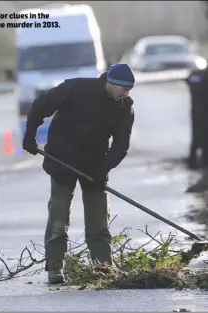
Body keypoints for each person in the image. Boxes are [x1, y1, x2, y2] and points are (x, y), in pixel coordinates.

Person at [22, 63, 136, 284]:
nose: (126, 93)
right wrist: (30, 134)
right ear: (110, 83)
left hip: (95, 165)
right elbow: (41, 105)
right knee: (58, 215)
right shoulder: (76, 89)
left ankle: (103, 267)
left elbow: (121, 145)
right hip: (62, 160)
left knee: (99, 220)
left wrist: (103, 170)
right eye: (123, 88)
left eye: (129, 90)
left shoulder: (124, 108)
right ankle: (55, 268)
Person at [185, 66, 208, 192]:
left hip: (197, 114)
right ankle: (200, 171)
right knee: (200, 143)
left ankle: (196, 168)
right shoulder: (198, 75)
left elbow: (189, 81)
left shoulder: (196, 75)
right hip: (200, 115)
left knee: (197, 142)